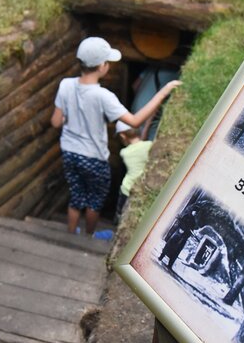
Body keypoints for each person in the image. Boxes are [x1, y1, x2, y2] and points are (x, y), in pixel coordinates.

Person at [51, 37, 182, 236]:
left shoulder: (65, 85)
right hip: (94, 158)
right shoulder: (104, 96)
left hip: (69, 153)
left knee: (76, 196)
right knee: (94, 202)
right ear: (102, 66)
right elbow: (135, 121)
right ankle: (88, 237)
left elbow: (55, 122)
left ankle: (71, 234)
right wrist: (162, 93)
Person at [114, 121, 152, 223]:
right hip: (141, 188)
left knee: (121, 216)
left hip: (126, 188)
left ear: (122, 135)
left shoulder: (124, 153)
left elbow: (138, 147)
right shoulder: (149, 146)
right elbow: (142, 146)